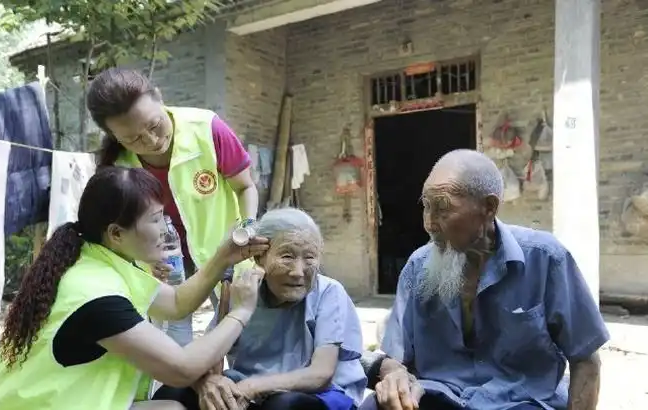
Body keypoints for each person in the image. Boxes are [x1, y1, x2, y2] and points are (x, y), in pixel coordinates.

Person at [0, 167, 269, 410]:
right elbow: (182, 368)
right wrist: (241, 311)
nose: (165, 230)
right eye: (155, 220)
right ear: (116, 233)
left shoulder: (97, 260)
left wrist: (223, 256)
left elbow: (177, 302)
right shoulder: (96, 295)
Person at [360, 149, 609, 410]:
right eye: (426, 207)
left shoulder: (545, 258)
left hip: (518, 402)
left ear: (489, 207)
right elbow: (396, 356)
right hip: (439, 396)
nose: (429, 224)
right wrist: (393, 374)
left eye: (442, 209)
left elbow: (586, 360)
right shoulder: (417, 267)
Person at [87, 67, 259, 346]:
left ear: (160, 98)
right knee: (173, 341)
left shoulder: (207, 128)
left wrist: (247, 228)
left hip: (225, 250)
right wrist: (145, 261)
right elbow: (119, 232)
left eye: (154, 125)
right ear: (114, 136)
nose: (151, 141)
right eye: (133, 139)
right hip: (165, 263)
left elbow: (245, 187)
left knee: (237, 333)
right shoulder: (117, 167)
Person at [153, 208, 367, 410]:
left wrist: (252, 387)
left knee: (283, 405)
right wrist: (206, 382)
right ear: (260, 257)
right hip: (251, 390)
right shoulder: (245, 291)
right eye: (287, 256)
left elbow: (321, 374)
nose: (298, 272)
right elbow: (206, 357)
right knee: (172, 393)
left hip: (319, 394)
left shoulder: (328, 291)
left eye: (310, 257)